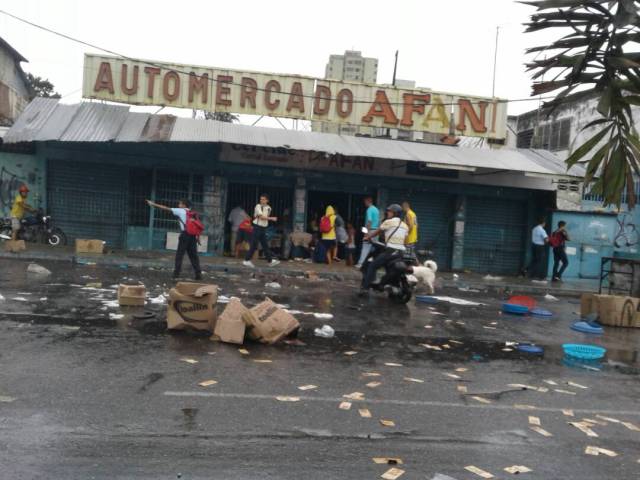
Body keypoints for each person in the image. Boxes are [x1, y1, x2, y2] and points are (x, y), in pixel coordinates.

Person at [146, 199, 202, 280]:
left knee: (179, 255)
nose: (179, 204)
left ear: (184, 205)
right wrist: (198, 238)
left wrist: (153, 204)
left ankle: (176, 274)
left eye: (180, 203)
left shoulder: (180, 211)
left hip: (185, 235)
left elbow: (165, 208)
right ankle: (198, 274)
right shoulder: (193, 213)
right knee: (194, 256)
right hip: (193, 236)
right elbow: (197, 226)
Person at [360, 204, 409, 294]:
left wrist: (367, 237)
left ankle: (365, 288)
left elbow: (378, 232)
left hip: (390, 251)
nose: (387, 213)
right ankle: (385, 283)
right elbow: (405, 241)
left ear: (394, 213)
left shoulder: (388, 222)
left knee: (373, 266)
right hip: (401, 253)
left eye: (389, 211)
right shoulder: (405, 226)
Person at [243, 194, 280, 267]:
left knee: (265, 245)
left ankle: (270, 261)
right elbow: (261, 217)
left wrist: (268, 218)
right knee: (254, 244)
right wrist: (272, 218)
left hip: (263, 228)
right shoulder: (258, 206)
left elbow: (265, 217)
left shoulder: (269, 208)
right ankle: (246, 260)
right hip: (257, 227)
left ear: (267, 200)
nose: (261, 201)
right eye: (261, 199)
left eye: (263, 199)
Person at [355, 196, 380, 268]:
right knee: (373, 248)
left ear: (368, 201)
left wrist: (366, 233)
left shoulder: (369, 209)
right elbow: (377, 221)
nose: (364, 203)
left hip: (370, 230)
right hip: (375, 231)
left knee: (365, 247)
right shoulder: (376, 209)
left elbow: (369, 221)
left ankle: (361, 264)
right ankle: (373, 264)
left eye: (365, 201)